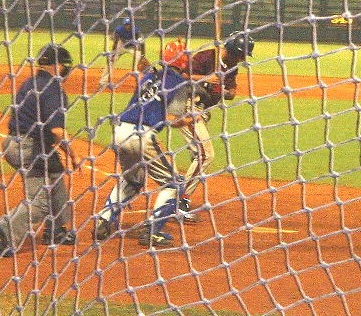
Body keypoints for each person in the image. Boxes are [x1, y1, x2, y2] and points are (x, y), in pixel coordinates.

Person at [0, 44, 82, 257]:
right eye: (64, 66)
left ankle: (57, 230)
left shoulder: (31, 83)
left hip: (16, 144)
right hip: (29, 148)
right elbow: (57, 130)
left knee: (54, 173)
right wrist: (74, 154)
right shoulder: (53, 89)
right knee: (39, 204)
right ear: (57, 66)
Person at [93, 39, 196, 247]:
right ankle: (152, 230)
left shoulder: (150, 76)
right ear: (184, 63)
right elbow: (172, 118)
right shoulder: (179, 83)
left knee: (132, 180)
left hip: (120, 131)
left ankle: (103, 220)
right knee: (175, 184)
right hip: (142, 135)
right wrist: (191, 119)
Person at [178, 31, 255, 221]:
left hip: (201, 112)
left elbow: (232, 92)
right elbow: (182, 75)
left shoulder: (231, 66)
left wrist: (223, 90)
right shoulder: (206, 57)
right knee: (206, 155)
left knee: (198, 156)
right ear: (230, 50)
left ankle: (175, 191)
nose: (242, 59)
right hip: (187, 107)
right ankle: (180, 204)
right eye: (240, 55)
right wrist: (205, 79)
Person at [98, 17, 146, 89]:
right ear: (123, 25)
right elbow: (116, 42)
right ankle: (102, 82)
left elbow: (142, 43)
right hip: (121, 45)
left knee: (140, 62)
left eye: (128, 24)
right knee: (110, 61)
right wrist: (113, 55)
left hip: (133, 47)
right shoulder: (119, 30)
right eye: (125, 25)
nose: (127, 26)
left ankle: (142, 82)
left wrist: (142, 55)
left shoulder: (136, 31)